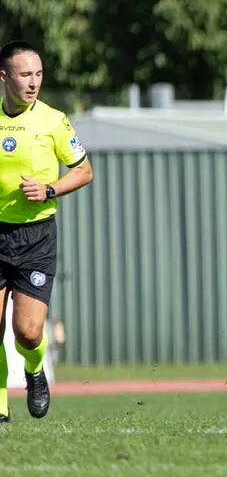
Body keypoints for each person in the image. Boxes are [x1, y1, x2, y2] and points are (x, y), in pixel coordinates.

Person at [0, 40, 93, 422]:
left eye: (38, 74)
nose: (34, 82)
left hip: (36, 237)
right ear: (4, 77)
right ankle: (0, 406)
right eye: (25, 74)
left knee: (27, 332)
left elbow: (84, 170)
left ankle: (34, 372)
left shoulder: (53, 120)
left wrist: (49, 189)